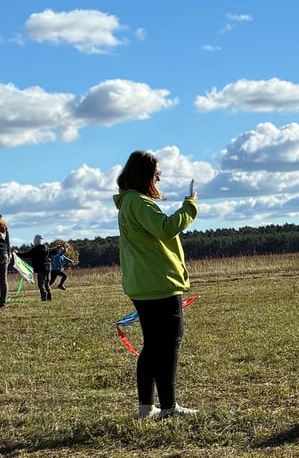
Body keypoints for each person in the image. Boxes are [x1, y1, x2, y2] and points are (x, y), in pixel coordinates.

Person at [114, 151, 199, 419]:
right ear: (145, 175)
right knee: (169, 343)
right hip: (159, 284)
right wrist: (190, 206)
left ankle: (147, 408)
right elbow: (166, 228)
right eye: (156, 172)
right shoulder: (139, 203)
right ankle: (169, 406)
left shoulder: (128, 202)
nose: (159, 176)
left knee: (153, 345)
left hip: (142, 284)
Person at [18, 234, 52, 301]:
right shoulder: (46, 248)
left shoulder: (35, 249)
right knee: (47, 282)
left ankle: (43, 297)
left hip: (41, 269)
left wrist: (17, 253)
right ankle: (49, 296)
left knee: (41, 284)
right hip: (48, 267)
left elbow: (26, 254)